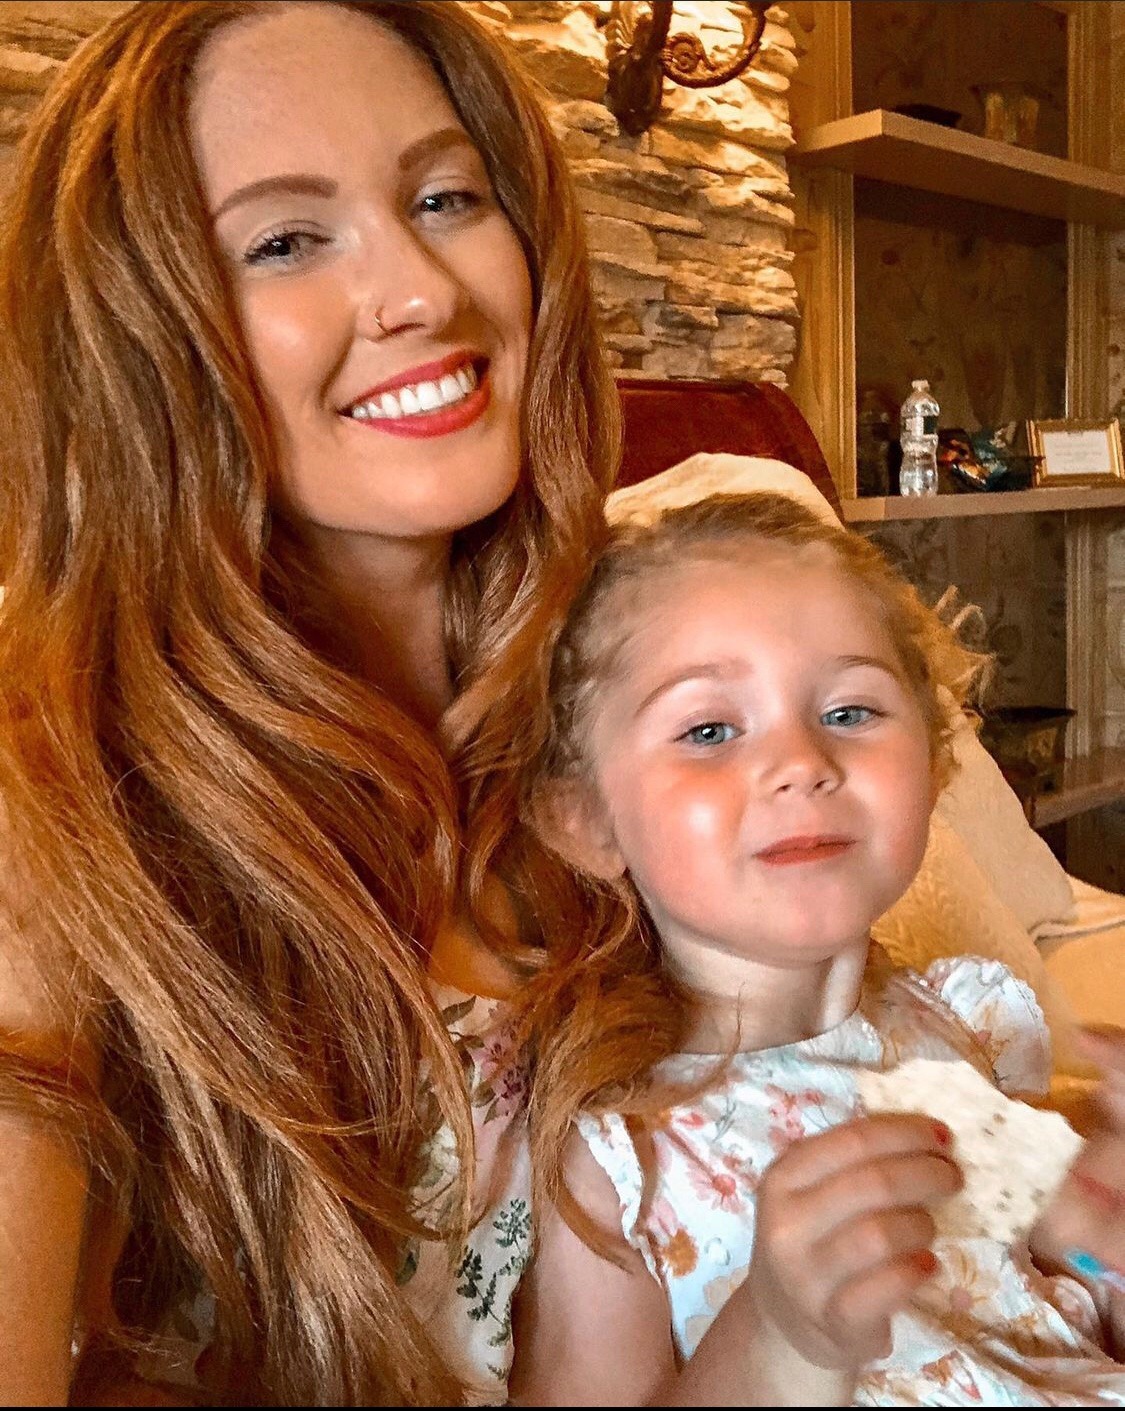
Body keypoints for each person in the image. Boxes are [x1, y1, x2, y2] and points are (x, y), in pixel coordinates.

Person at [0, 1, 617, 1403]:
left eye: (446, 198)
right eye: (286, 238)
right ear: (138, 338)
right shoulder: (51, 814)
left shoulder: (637, 702)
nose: (421, 290)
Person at [507, 489, 1125, 1406]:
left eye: (848, 711)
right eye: (709, 730)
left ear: (932, 760)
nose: (802, 759)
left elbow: (1057, 1283)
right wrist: (779, 1335)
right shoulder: (615, 1155)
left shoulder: (957, 1036)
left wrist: (1108, 1228)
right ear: (585, 816)